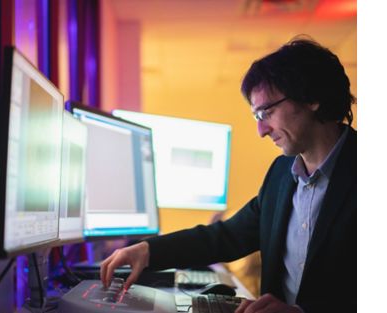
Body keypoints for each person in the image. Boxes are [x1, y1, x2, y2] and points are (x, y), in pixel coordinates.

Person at [100, 37, 356, 313]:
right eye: (258, 117)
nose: (262, 131)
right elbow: (226, 236)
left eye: (267, 112)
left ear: (311, 97)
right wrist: (148, 251)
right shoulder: (282, 174)